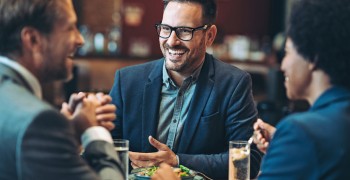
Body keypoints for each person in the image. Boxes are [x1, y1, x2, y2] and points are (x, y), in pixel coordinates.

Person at [109, 0, 262, 179]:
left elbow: (247, 160)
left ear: (209, 36)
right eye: (166, 28)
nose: (172, 41)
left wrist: (177, 160)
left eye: (184, 31)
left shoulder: (234, 84)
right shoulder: (127, 81)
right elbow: (103, 151)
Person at [0, 0, 124, 179]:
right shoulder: (40, 121)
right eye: (71, 28)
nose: (80, 40)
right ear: (33, 39)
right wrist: (94, 132)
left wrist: (67, 132)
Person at [252, 0, 350, 179]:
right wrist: (281, 145)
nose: (282, 66)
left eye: (287, 52)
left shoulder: (299, 132)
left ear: (312, 58)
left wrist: (288, 144)